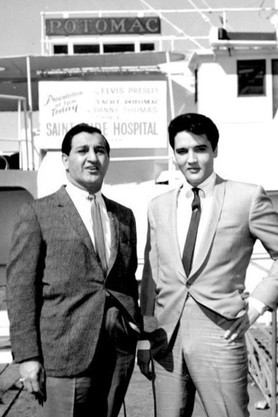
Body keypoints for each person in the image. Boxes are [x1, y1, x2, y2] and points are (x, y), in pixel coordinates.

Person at [137, 113, 278, 417]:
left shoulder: (247, 197)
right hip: (165, 339)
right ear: (173, 155)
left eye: (200, 149)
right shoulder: (157, 206)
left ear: (214, 150)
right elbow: (151, 276)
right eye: (182, 151)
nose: (191, 159)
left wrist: (256, 305)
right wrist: (145, 338)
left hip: (221, 333)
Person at [6, 123, 141, 417]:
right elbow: (20, 290)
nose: (92, 158)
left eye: (100, 151)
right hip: (63, 355)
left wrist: (135, 331)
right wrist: (27, 357)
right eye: (83, 150)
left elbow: (127, 282)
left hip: (116, 355)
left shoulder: (123, 216)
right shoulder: (37, 213)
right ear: (66, 160)